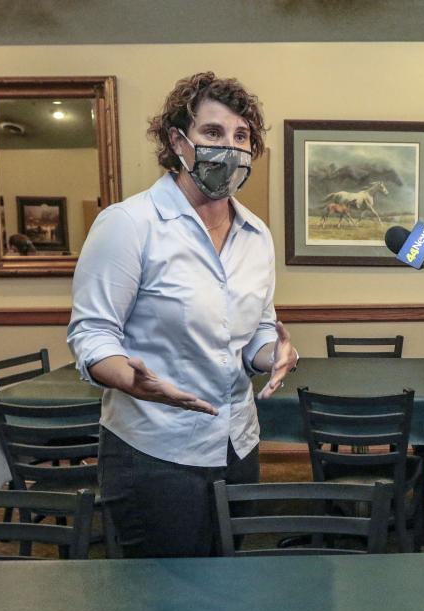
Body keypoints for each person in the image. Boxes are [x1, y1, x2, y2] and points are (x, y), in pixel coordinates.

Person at [67, 72, 298, 558]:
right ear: (178, 140)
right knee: (163, 602)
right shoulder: (129, 224)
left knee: (227, 588)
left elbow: (257, 328)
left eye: (242, 137)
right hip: (154, 450)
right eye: (213, 133)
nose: (230, 148)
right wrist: (132, 380)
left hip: (237, 444)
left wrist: (272, 355)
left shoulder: (257, 234)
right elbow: (92, 334)